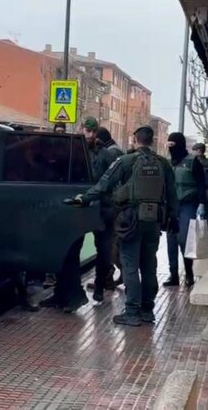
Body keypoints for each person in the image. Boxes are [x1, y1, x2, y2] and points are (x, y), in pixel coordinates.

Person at [72, 126, 179, 327]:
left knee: (130, 266)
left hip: (130, 220)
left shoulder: (126, 161)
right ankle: (148, 310)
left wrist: (84, 198)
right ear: (152, 141)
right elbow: (172, 194)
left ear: (134, 140)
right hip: (154, 220)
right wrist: (174, 218)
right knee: (149, 265)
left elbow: (103, 185)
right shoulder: (163, 164)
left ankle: (131, 312)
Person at [163, 132, 207, 288]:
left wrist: (202, 203)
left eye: (173, 146)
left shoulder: (193, 162)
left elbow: (202, 184)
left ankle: (189, 272)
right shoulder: (166, 162)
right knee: (171, 240)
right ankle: (173, 275)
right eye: (168, 146)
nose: (170, 149)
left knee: (183, 239)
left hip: (188, 204)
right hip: (170, 206)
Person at [87, 127, 124, 301]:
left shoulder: (106, 155)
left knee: (104, 249)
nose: (87, 135)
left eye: (89, 132)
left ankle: (101, 284)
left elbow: (108, 182)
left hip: (101, 207)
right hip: (98, 207)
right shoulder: (81, 151)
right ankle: (99, 284)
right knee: (102, 249)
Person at [192, 143, 208, 221]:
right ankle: (205, 233)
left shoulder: (196, 163)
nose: (193, 153)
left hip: (200, 194)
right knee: (204, 219)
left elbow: (206, 180)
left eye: (194, 151)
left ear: (198, 150)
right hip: (207, 194)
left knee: (199, 218)